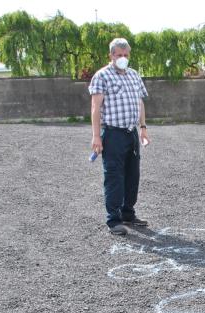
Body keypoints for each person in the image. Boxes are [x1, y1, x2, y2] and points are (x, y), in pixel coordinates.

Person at [88, 37, 151, 236]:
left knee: (133, 176)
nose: (123, 58)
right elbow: (95, 108)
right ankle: (113, 219)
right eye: (119, 55)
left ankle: (128, 213)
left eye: (125, 55)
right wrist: (96, 136)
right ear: (111, 56)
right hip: (113, 133)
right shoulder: (102, 76)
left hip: (131, 133)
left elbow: (140, 102)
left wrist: (143, 127)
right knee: (114, 177)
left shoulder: (134, 75)